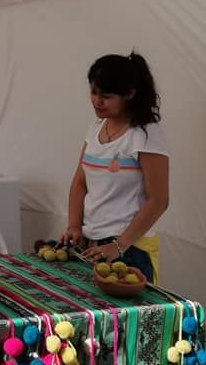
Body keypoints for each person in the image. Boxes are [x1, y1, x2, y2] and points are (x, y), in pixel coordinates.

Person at [59, 52, 169, 282]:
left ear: (130, 94)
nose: (97, 101)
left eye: (106, 96)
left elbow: (158, 201)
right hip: (92, 245)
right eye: (93, 93)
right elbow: (80, 182)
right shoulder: (96, 127)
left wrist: (119, 245)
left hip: (131, 249)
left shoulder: (145, 134)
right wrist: (74, 226)